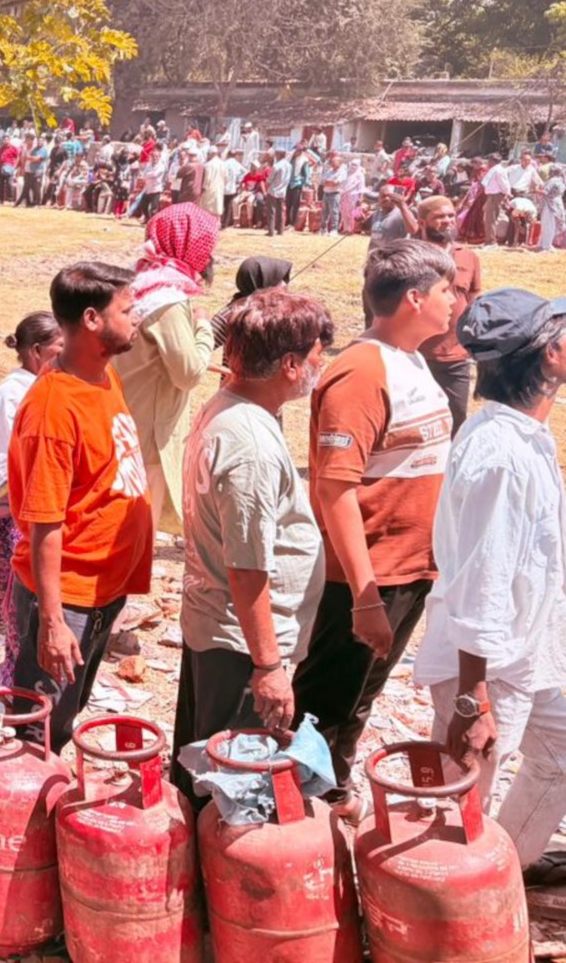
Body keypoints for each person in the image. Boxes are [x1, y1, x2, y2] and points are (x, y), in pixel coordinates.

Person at [291, 240, 455, 814]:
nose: (454, 302)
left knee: (360, 698)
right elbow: (334, 487)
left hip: (408, 567)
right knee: (324, 701)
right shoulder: (362, 371)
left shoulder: (409, 359)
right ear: (414, 298)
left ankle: (331, 792)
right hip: (367, 577)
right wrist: (363, 598)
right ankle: (292, 808)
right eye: (445, 291)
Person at [415, 289, 566, 882]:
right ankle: (449, 906)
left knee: (557, 754)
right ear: (551, 355)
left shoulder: (521, 437)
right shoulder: (501, 454)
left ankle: (507, 871)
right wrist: (472, 698)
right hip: (484, 664)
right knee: (460, 798)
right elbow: (483, 579)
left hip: (523, 651)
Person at [170, 289, 333, 798]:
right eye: (316, 354)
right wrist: (267, 667)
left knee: (204, 764)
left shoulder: (232, 408)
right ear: (289, 364)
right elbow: (248, 568)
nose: (321, 363)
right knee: (229, 789)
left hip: (220, 626)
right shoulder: (251, 448)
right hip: (240, 645)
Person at [6, 262, 152, 751]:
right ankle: (13, 816)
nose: (138, 318)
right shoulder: (54, 409)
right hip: (67, 597)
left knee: (65, 715)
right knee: (37, 727)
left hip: (101, 588)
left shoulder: (102, 376)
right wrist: (51, 622)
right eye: (127, 310)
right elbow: (44, 524)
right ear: (91, 319)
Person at [114, 203, 217, 535]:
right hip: (149, 436)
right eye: (207, 245)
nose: (211, 254)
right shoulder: (166, 299)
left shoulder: (143, 281)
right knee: (133, 536)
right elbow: (187, 373)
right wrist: (204, 329)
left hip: (128, 418)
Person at [0, 312, 61, 686]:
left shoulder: (44, 385)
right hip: (18, 516)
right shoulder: (16, 392)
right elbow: (5, 459)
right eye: (60, 348)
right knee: (17, 600)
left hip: (35, 513)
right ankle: (14, 675)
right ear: (37, 351)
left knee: (34, 597)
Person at [417, 196, 483, 431]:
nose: (447, 221)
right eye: (439, 216)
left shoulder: (468, 256)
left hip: (455, 355)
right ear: (422, 222)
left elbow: (474, 295)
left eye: (450, 215)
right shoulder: (412, 255)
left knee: (456, 418)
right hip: (415, 353)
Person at [209, 257, 291, 349]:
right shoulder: (230, 315)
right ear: (261, 282)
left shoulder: (286, 311)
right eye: (278, 280)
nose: (284, 284)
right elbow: (196, 349)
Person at [264, 149, 290, 236]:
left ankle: (271, 231)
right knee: (281, 212)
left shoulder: (277, 166)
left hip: (273, 191)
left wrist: (266, 189)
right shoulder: (289, 166)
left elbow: (269, 180)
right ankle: (280, 230)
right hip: (283, 191)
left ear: (278, 155)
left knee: (271, 212)